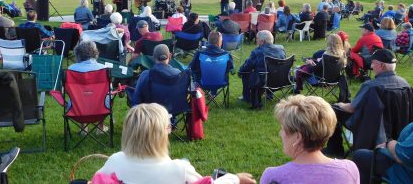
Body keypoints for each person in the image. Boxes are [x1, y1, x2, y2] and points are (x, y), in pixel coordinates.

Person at [95, 103, 255, 184]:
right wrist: (235, 178)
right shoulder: (179, 169)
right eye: (169, 127)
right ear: (161, 134)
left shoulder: (115, 161)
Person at [324, 49, 410, 157]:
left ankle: (335, 148)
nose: (371, 66)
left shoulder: (372, 86)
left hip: (368, 126)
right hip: (397, 127)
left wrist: (339, 105)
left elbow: (351, 108)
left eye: (373, 63)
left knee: (333, 109)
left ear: (382, 66)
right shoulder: (405, 84)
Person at [260, 95, 359, 184]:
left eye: (283, 129)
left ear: (298, 137)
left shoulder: (273, 177)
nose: (280, 133)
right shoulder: (348, 170)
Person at [238, 30, 286, 109]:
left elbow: (247, 67)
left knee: (245, 72)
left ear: (262, 41)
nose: (256, 41)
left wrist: (240, 71)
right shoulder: (281, 48)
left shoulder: (257, 52)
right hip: (282, 80)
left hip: (265, 82)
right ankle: (269, 95)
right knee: (268, 71)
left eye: (257, 39)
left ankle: (247, 97)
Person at [68, 41, 108, 134]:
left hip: (77, 111)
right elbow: (108, 91)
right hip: (100, 110)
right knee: (105, 96)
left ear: (78, 52)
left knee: (79, 96)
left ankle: (83, 128)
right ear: (95, 53)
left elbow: (68, 91)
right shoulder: (103, 69)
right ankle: (100, 128)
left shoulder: (71, 69)